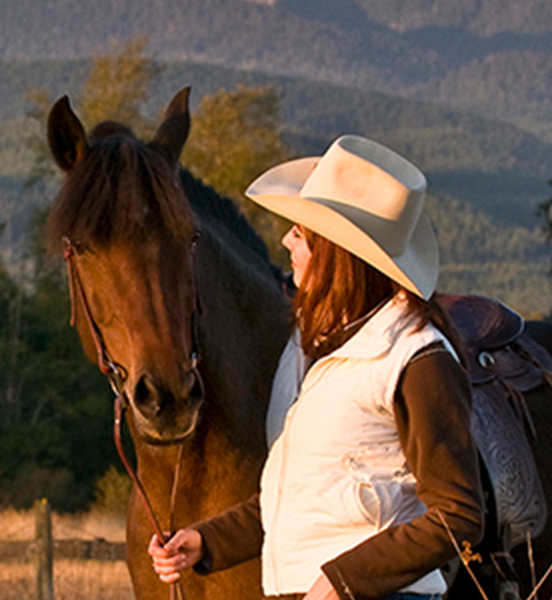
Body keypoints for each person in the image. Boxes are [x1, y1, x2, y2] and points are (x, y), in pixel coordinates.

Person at [148, 136, 486, 600]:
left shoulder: (417, 357)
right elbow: (304, 498)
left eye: (301, 231)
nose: (286, 239)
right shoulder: (314, 352)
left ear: (338, 253)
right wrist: (207, 540)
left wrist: (346, 580)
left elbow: (458, 516)